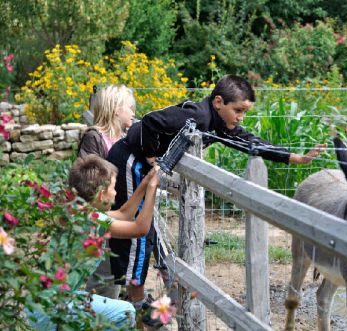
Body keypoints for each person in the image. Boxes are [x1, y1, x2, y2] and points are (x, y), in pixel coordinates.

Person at [106, 74, 326, 318]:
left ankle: (142, 302)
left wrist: (293, 157)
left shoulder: (218, 123)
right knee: (136, 234)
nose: (241, 117)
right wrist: (150, 157)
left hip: (141, 167)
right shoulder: (199, 116)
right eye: (238, 110)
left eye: (244, 112)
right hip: (130, 161)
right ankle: (135, 305)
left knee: (144, 233)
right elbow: (150, 121)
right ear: (219, 102)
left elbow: (248, 142)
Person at [29, 155, 160, 330]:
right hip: (51, 308)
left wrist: (144, 184)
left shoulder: (82, 211)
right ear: (100, 194)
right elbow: (140, 228)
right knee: (126, 311)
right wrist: (152, 188)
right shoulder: (90, 219)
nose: (115, 192)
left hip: (42, 304)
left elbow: (124, 214)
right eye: (113, 187)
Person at [77, 84, 136, 299]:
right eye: (130, 107)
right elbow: (89, 178)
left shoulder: (126, 137)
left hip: (120, 210)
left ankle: (103, 311)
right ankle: (93, 312)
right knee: (105, 270)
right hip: (102, 215)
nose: (133, 112)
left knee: (114, 268)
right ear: (115, 109)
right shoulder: (94, 137)